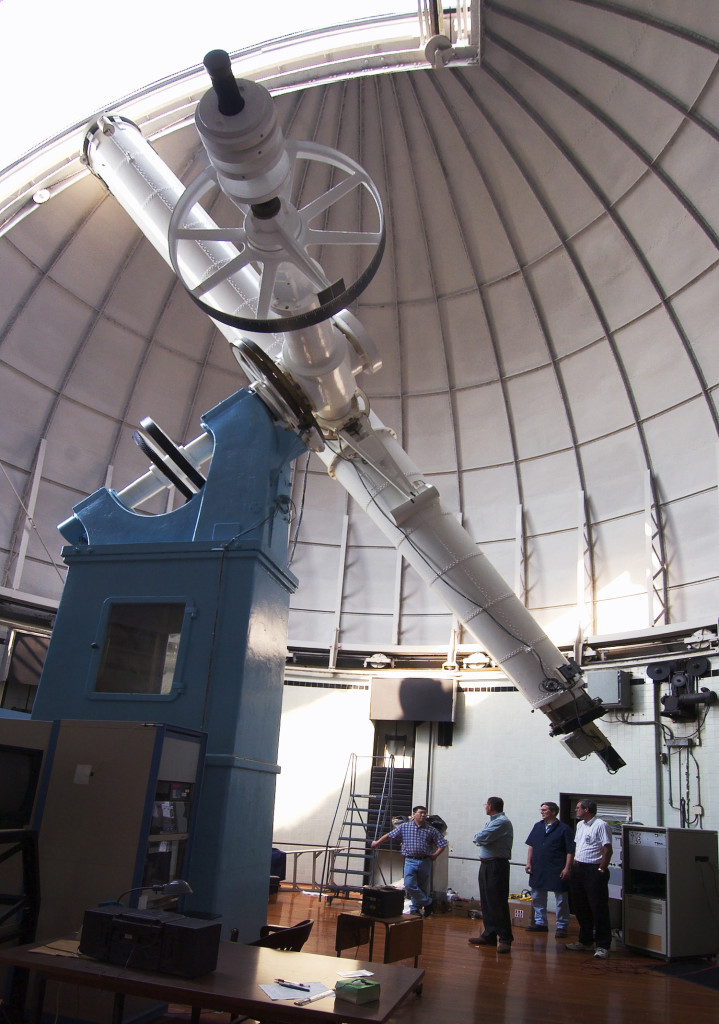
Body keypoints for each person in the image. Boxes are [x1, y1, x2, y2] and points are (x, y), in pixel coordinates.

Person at [371, 805, 448, 916]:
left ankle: (415, 909)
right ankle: (428, 903)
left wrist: (435, 855)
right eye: (420, 813)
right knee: (409, 884)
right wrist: (377, 842)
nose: (423, 815)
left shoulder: (431, 830)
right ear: (414, 815)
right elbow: (389, 836)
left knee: (421, 887)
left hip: (425, 861)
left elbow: (442, 844)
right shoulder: (405, 827)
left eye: (424, 813)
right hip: (410, 861)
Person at [566, 798, 613, 959]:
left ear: (587, 810)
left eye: (578, 808)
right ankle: (585, 941)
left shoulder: (601, 825)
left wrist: (601, 869)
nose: (576, 810)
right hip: (578, 868)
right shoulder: (580, 825)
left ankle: (603, 945)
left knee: (598, 908)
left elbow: (607, 849)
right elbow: (577, 847)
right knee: (580, 907)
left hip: (594, 869)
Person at [468, 796, 514, 953]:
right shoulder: (493, 821)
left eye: (486, 805)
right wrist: (481, 838)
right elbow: (482, 838)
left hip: (497, 865)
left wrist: (479, 838)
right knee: (487, 901)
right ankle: (489, 935)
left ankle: (506, 939)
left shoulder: (501, 822)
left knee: (497, 902)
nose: (484, 807)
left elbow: (480, 837)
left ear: (491, 807)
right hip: (487, 864)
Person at [524, 801, 575, 937]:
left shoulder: (564, 829)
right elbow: (531, 846)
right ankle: (540, 923)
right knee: (537, 896)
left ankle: (562, 926)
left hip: (557, 867)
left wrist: (567, 868)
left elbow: (570, 851)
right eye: (541, 810)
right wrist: (528, 862)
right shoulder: (537, 826)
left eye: (544, 810)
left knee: (561, 898)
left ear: (553, 812)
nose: (542, 812)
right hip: (539, 866)